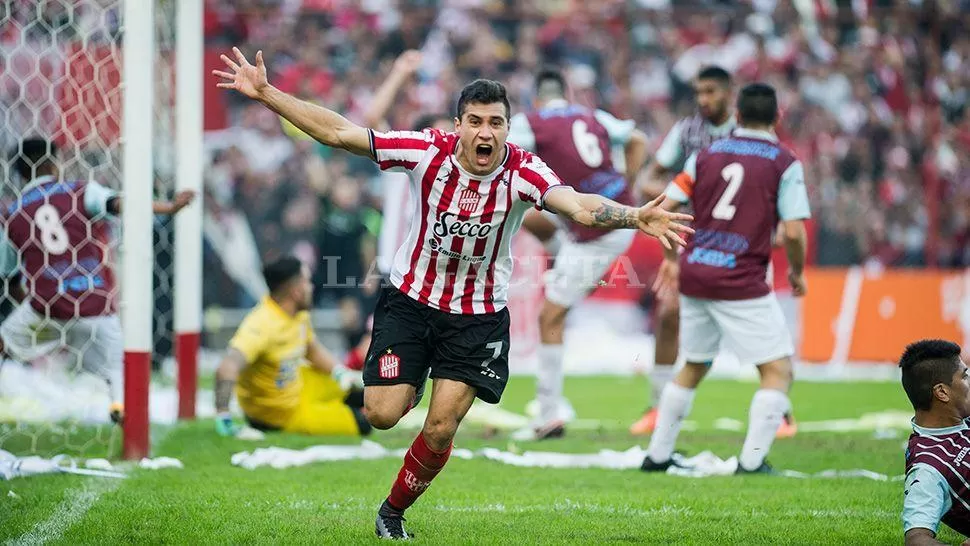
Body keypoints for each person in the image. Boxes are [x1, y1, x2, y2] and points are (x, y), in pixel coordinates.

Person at [214, 46, 692, 540]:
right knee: (380, 414)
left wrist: (635, 215)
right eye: (476, 121)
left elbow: (577, 205)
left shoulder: (524, 170)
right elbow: (340, 132)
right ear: (459, 124)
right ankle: (413, 377)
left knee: (441, 427)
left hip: (477, 316)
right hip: (411, 304)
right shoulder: (425, 150)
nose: (486, 133)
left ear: (509, 127)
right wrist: (267, 94)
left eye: (497, 123)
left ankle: (393, 512)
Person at [639, 82, 809, 475]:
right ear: (777, 117)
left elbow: (666, 204)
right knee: (778, 370)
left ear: (739, 114)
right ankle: (751, 463)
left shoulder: (705, 155)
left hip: (696, 272)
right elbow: (796, 232)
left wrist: (672, 257)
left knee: (694, 364)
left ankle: (658, 455)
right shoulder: (784, 161)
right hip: (741, 280)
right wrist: (797, 273)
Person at [0, 138, 195, 424]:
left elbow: (9, 275)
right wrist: (168, 207)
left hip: (46, 306)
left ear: (19, 173)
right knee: (119, 368)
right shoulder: (79, 191)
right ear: (54, 163)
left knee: (4, 343)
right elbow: (118, 203)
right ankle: (120, 407)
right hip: (94, 301)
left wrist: (28, 305)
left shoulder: (12, 214)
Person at [505, 68, 649, 440]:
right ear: (565, 95)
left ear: (536, 98)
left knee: (549, 316)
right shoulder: (591, 114)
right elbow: (638, 140)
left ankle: (548, 415)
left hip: (597, 233)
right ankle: (562, 269)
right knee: (531, 220)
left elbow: (501, 158)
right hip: (612, 216)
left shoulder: (529, 122)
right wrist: (626, 185)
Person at [631, 65, 737, 435]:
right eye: (699, 93)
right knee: (668, 314)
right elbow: (649, 179)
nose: (704, 100)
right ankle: (656, 407)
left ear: (729, 92)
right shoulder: (687, 130)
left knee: (753, 325)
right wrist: (677, 198)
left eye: (711, 92)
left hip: (739, 242)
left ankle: (781, 411)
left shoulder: (747, 131)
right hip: (693, 240)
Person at [213, 256, 370, 437]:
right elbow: (227, 367)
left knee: (363, 392)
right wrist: (224, 416)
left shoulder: (297, 313)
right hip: (280, 413)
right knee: (363, 423)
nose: (312, 287)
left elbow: (312, 349)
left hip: (298, 384)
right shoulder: (261, 325)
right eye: (307, 282)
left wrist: (339, 372)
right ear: (296, 291)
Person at [899, 339, 970, 545]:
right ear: (942, 392)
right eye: (964, 376)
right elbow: (917, 539)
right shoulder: (929, 467)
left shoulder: (962, 418)